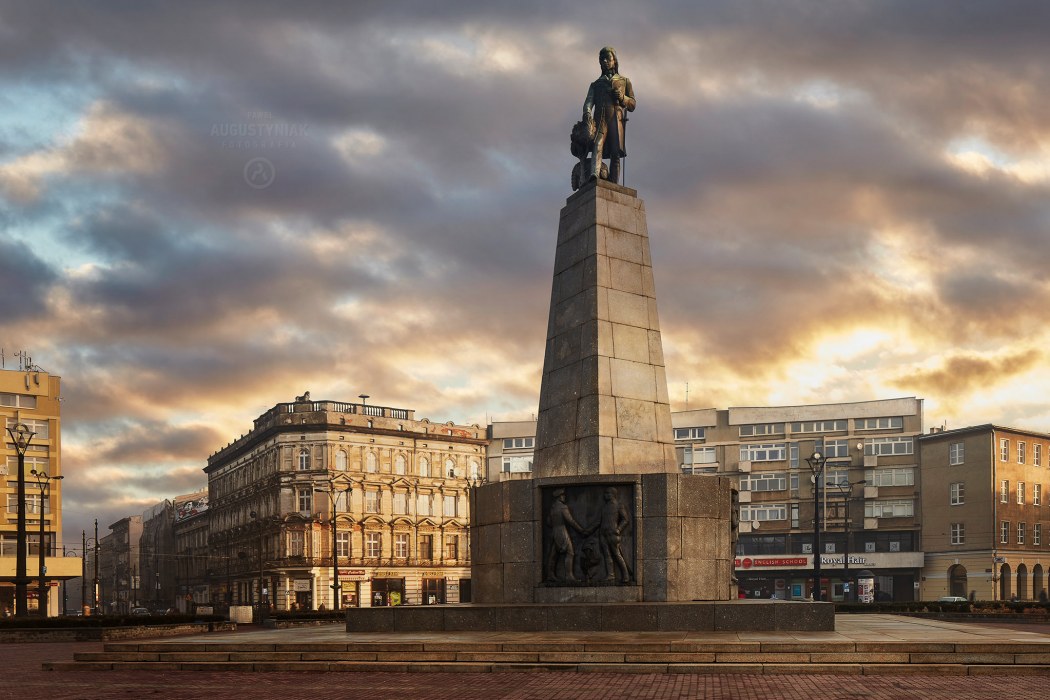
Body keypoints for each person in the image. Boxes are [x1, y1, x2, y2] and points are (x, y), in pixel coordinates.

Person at [582, 46, 636, 184]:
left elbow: (632, 105)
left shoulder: (624, 81)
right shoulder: (596, 84)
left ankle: (614, 181)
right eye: (602, 59)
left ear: (614, 61)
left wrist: (623, 97)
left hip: (616, 120)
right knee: (597, 144)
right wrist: (587, 112)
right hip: (600, 120)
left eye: (608, 58)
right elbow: (588, 102)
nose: (605, 61)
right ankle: (594, 174)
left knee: (615, 152)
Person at [545, 488, 588, 583]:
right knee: (570, 552)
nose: (564, 497)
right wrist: (581, 530)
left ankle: (550, 575)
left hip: (554, 532)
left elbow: (548, 522)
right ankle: (569, 576)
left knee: (553, 554)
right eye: (563, 496)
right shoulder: (562, 507)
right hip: (562, 532)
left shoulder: (553, 508)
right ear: (559, 497)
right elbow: (571, 521)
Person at [597, 486, 631, 583]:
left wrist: (619, 529)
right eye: (605, 493)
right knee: (607, 556)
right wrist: (586, 530)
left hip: (613, 534)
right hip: (603, 534)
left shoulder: (618, 505)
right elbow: (599, 521)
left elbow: (625, 519)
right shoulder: (604, 507)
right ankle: (610, 575)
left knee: (617, 555)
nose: (605, 495)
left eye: (607, 493)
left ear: (613, 495)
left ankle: (626, 576)